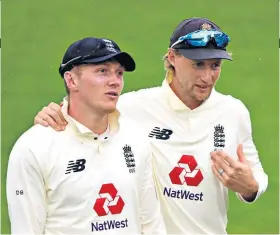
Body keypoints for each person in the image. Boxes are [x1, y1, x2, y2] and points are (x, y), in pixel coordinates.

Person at [33, 18, 268, 234]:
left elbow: (255, 174)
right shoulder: (133, 106)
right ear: (172, 58)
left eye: (215, 65)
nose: (208, 77)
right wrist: (53, 114)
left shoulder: (233, 111)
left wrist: (249, 186)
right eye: (198, 65)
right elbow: (81, 114)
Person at [6, 37, 166, 234]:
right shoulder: (33, 148)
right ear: (72, 80)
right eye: (102, 71)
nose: (115, 81)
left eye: (119, 73)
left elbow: (151, 224)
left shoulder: (135, 140)